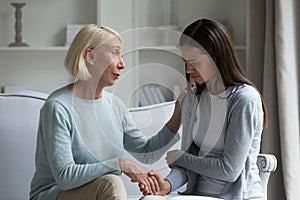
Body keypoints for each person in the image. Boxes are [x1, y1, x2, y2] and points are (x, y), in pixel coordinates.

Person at [29, 24, 182, 200]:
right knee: (112, 182)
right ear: (90, 56)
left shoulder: (115, 105)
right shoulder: (58, 107)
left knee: (112, 183)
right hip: (53, 194)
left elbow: (147, 152)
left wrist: (178, 115)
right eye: (115, 53)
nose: (122, 64)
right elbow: (65, 176)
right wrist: (119, 164)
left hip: (98, 193)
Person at [139, 18, 268, 200]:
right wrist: (166, 186)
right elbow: (187, 165)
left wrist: (180, 157)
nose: (189, 69)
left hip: (235, 196)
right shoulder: (194, 97)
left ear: (217, 57)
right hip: (198, 195)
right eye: (185, 62)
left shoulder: (244, 99)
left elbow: (229, 170)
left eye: (195, 62)